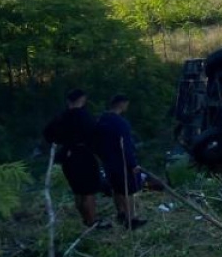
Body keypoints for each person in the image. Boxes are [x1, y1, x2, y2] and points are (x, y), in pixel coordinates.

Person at [42, 89, 109, 229]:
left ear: (68, 101)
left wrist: (63, 141)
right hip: (83, 155)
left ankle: (86, 219)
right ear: (83, 99)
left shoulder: (61, 117)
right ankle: (92, 221)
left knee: (78, 191)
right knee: (88, 191)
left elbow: (48, 134)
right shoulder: (84, 116)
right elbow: (96, 136)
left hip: (67, 156)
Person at [93, 94, 147, 229]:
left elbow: (95, 142)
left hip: (108, 162)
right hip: (122, 161)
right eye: (126, 104)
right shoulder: (121, 123)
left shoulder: (101, 120)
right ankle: (131, 219)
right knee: (128, 191)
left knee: (116, 188)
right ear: (121, 104)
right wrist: (133, 164)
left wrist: (102, 156)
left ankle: (121, 213)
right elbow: (126, 146)